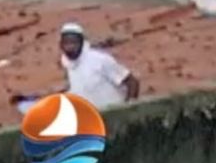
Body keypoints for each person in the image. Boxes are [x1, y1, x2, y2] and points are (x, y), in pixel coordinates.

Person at [10, 23, 140, 111]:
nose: (70, 47)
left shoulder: (100, 60)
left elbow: (132, 82)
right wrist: (30, 99)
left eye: (74, 43)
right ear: (61, 45)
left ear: (82, 43)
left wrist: (128, 109)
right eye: (67, 43)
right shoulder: (67, 64)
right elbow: (70, 89)